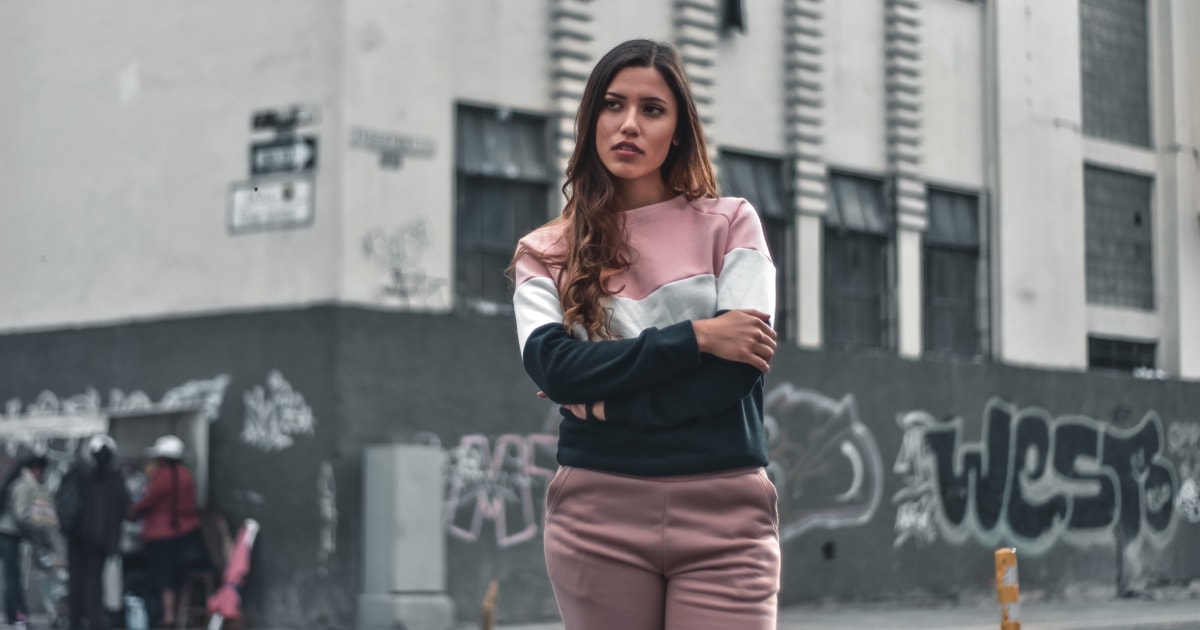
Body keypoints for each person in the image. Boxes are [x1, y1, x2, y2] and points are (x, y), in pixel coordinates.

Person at [509, 39, 781, 630]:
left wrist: (600, 402)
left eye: (652, 109)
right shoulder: (544, 251)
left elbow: (735, 374)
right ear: (591, 120)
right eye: (613, 105)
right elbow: (554, 368)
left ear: (678, 130)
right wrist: (696, 339)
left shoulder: (732, 224)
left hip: (725, 516)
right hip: (596, 517)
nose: (629, 124)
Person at [128, 435, 202, 629]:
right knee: (177, 576)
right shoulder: (187, 475)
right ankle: (177, 615)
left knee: (164, 577)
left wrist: (132, 512)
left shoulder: (161, 477)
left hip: (161, 535)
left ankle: (168, 617)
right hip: (185, 534)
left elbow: (146, 502)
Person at [60, 435, 131, 630]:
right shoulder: (116, 479)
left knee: (76, 581)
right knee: (94, 582)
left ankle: (75, 622)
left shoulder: (78, 473)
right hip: (100, 540)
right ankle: (94, 622)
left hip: (77, 537)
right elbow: (126, 508)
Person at [0, 452, 56, 629]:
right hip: (10, 535)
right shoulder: (25, 486)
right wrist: (41, 525)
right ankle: (16, 615)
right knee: (14, 578)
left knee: (13, 577)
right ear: (36, 469)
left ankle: (16, 614)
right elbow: (22, 514)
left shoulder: (20, 483)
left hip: (9, 534)